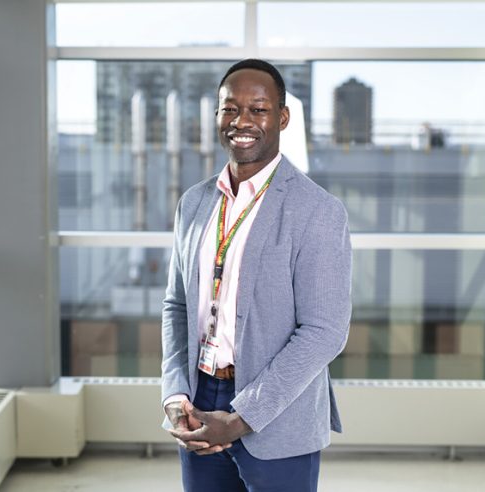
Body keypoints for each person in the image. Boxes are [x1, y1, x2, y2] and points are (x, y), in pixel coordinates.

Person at [160, 58, 352, 492]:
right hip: (198, 396)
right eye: (230, 108)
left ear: (282, 118)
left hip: (278, 411)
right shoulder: (194, 203)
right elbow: (177, 306)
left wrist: (242, 417)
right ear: (217, 116)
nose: (241, 120)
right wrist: (175, 395)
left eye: (258, 109)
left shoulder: (317, 211)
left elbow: (325, 331)